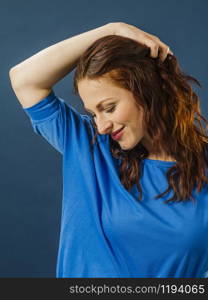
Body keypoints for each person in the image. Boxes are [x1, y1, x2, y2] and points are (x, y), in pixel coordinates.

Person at [9, 22, 208, 278]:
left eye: (109, 107)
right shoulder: (88, 145)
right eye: (93, 113)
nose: (101, 126)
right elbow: (24, 79)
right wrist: (111, 30)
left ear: (148, 91)